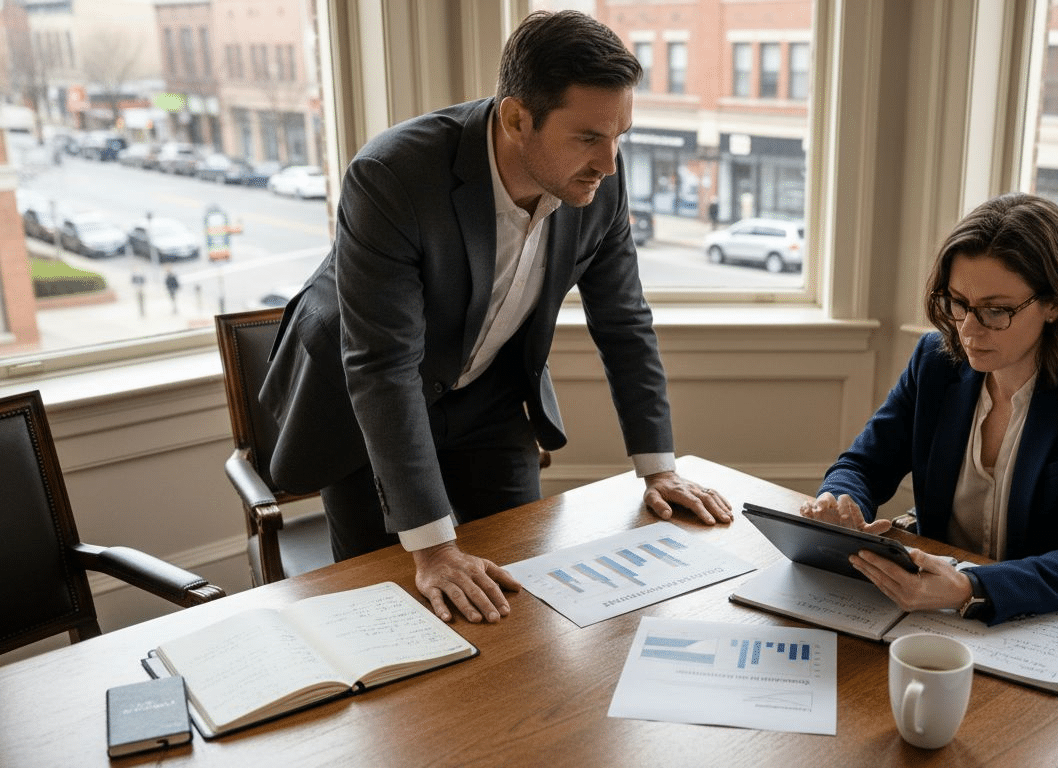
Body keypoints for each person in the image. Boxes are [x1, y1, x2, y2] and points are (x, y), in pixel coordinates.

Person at [260, 10, 733, 626]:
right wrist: (433, 548)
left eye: (621, 135)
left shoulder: (599, 185)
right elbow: (383, 365)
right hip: (366, 407)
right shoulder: (391, 176)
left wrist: (659, 469)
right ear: (516, 118)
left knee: (524, 597)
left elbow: (624, 324)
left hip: (490, 397)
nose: (610, 164)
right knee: (390, 611)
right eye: (588, 137)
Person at [800, 193, 1058, 625]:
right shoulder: (936, 361)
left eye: (995, 310)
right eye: (958, 302)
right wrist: (840, 503)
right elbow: (863, 464)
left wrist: (972, 588)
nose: (968, 330)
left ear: (1054, 303)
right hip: (940, 606)